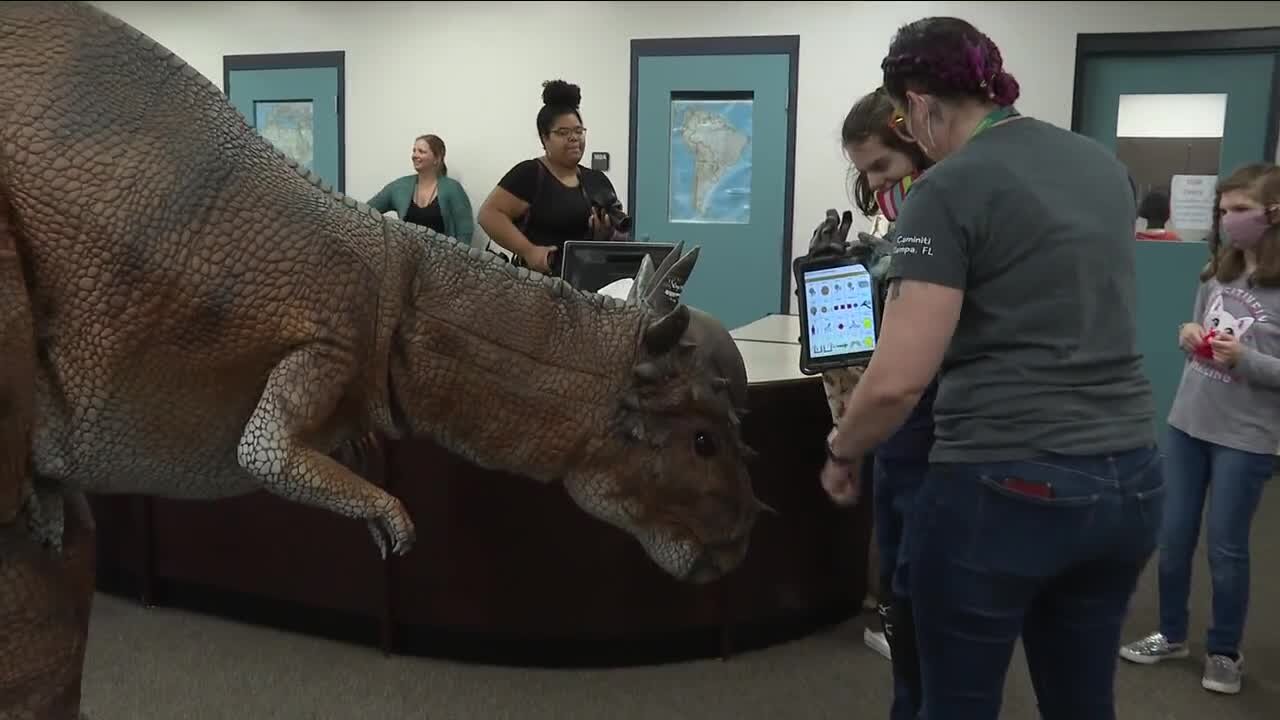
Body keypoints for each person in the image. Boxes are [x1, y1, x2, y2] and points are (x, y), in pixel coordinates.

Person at [821, 17, 1162, 719]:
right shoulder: (1102, 165)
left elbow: (897, 381)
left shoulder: (948, 189)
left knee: (957, 702)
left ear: (916, 103)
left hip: (1006, 481)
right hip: (1129, 476)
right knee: (1082, 701)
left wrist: (842, 450)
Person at [1119, 163, 1280, 696]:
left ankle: (1224, 651)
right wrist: (1189, 335)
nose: (1227, 220)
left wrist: (1247, 360)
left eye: (1240, 210)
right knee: (1172, 536)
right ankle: (1170, 633)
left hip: (1248, 435)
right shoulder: (1216, 271)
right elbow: (1198, 331)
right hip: (1190, 420)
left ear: (1273, 214)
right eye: (1223, 210)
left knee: (1227, 547)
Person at [825, 86, 934, 720]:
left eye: (882, 168)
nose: (874, 186)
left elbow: (905, 364)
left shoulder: (941, 215)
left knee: (924, 599)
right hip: (902, 433)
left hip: (931, 425)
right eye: (864, 172)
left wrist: (844, 444)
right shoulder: (905, 226)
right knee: (899, 586)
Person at [477, 80, 626, 274]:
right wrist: (529, 251)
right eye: (563, 133)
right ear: (544, 138)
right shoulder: (529, 174)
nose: (574, 138)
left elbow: (614, 238)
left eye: (578, 131)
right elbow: (488, 215)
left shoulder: (596, 180)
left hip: (585, 287)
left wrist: (604, 235)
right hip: (536, 287)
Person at [367, 134, 475, 243]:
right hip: (406, 256)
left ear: (437, 158)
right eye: (414, 151)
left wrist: (455, 258)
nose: (415, 155)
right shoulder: (399, 187)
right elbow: (366, 211)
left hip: (442, 257)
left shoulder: (453, 189)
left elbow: (465, 232)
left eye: (421, 151)